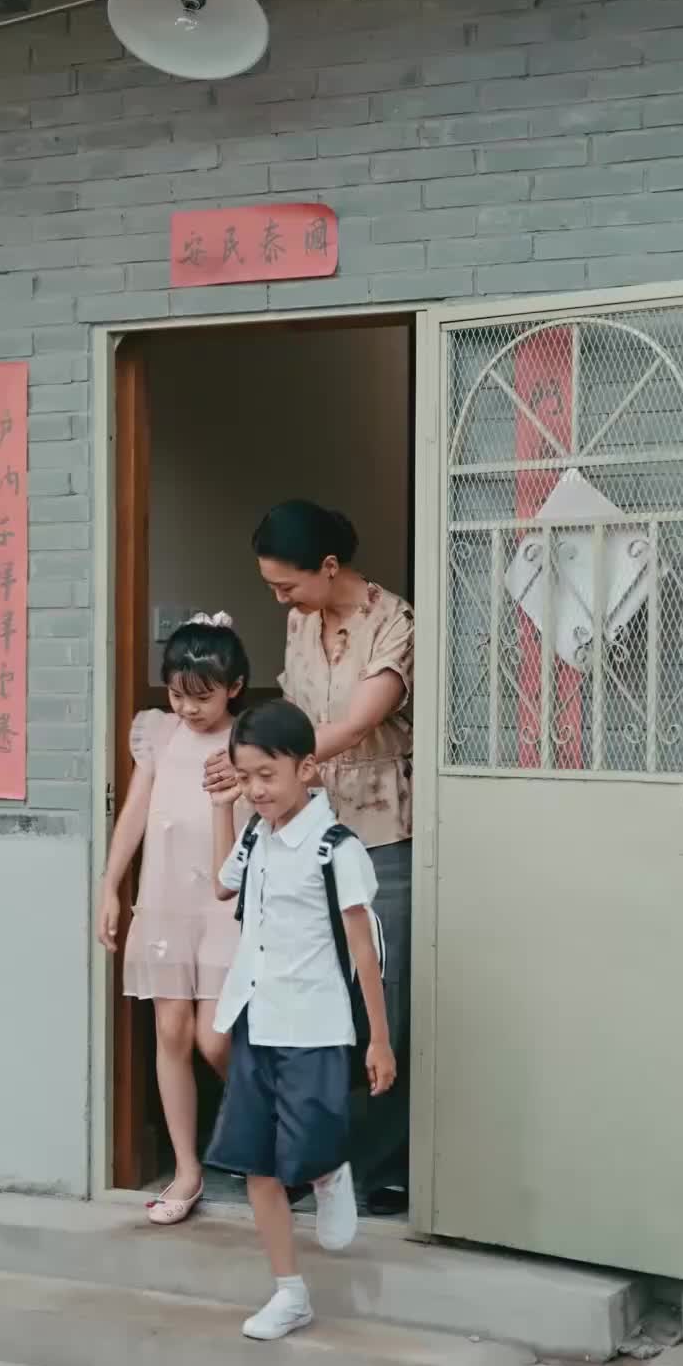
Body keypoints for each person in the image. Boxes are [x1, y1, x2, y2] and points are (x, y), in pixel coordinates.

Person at [205, 500, 413, 1216]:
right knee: (299, 1001)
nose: (278, 600)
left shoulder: (395, 622)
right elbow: (292, 717)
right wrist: (266, 778)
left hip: (379, 829)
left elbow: (354, 725)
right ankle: (304, 1156)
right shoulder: (300, 622)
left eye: (286, 585)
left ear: (329, 567)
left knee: (378, 997)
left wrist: (260, 761)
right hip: (301, 826)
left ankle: (380, 1165)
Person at [207, 699, 395, 1340]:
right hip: (256, 1016)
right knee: (257, 1163)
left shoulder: (336, 849)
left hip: (314, 1024)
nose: (256, 789)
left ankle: (328, 1169)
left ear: (306, 769)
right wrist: (223, 808)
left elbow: (364, 951)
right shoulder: (255, 833)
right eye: (246, 776)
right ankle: (289, 1292)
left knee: (307, 1143)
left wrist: (378, 1038)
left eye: (267, 775)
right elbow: (222, 885)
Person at [97, 614, 251, 1224]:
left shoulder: (249, 739)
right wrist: (110, 886)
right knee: (171, 1032)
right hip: (163, 901)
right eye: (178, 694)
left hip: (224, 903)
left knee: (216, 1039)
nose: (188, 708)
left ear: (235, 687)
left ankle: (278, 1133)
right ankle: (188, 1170)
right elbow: (136, 811)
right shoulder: (159, 734)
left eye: (202, 697)